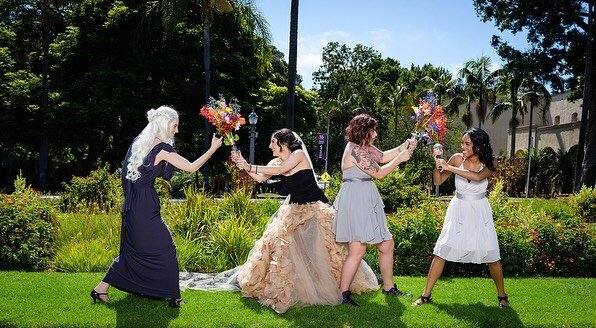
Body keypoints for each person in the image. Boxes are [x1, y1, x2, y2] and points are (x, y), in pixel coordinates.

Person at [230, 128, 378, 313]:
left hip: (315, 208)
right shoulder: (276, 160)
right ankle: (301, 287)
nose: (269, 146)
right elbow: (261, 178)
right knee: (289, 252)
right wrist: (243, 166)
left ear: (283, 144)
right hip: (295, 210)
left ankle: (329, 286)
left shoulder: (298, 155)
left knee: (321, 252)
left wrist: (249, 164)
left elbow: (280, 170)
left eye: (272, 142)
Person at [90, 106, 223, 307]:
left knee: (134, 251)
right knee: (166, 249)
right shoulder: (162, 149)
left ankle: (100, 289)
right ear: (165, 124)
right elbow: (191, 167)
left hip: (133, 204)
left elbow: (126, 176)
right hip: (144, 208)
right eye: (175, 126)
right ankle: (175, 298)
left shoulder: (139, 142)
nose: (177, 130)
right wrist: (213, 149)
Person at [412, 128, 510, 307]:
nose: (462, 147)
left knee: (492, 254)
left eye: (467, 144)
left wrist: (450, 168)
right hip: (458, 209)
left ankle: (502, 296)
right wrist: (437, 165)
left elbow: (478, 177)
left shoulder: (490, 162)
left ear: (478, 146)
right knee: (441, 251)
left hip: (480, 211)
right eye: (462, 143)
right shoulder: (456, 159)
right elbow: (438, 181)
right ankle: (426, 295)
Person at [333, 114, 416, 307]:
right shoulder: (355, 151)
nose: (376, 134)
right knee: (358, 249)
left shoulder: (365, 147)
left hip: (365, 196)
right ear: (365, 132)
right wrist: (400, 160)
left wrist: (404, 146)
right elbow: (380, 173)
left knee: (387, 244)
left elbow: (383, 156)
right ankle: (343, 294)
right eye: (373, 130)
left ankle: (388, 287)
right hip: (356, 198)